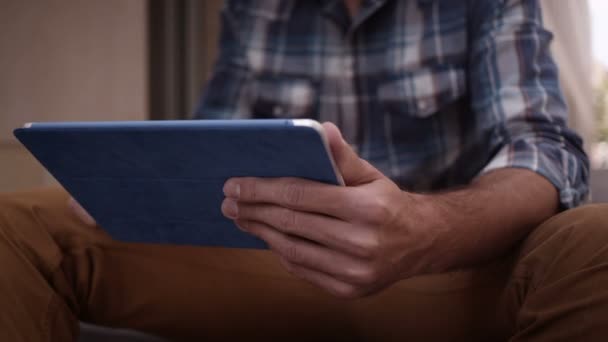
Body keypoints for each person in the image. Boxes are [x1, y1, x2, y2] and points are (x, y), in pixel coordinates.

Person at [1, 0, 607, 340]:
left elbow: (544, 147)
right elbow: (211, 143)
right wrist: (145, 188)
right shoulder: (256, 9)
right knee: (15, 223)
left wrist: (426, 226)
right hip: (277, 264)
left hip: (455, 273)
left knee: (595, 237)